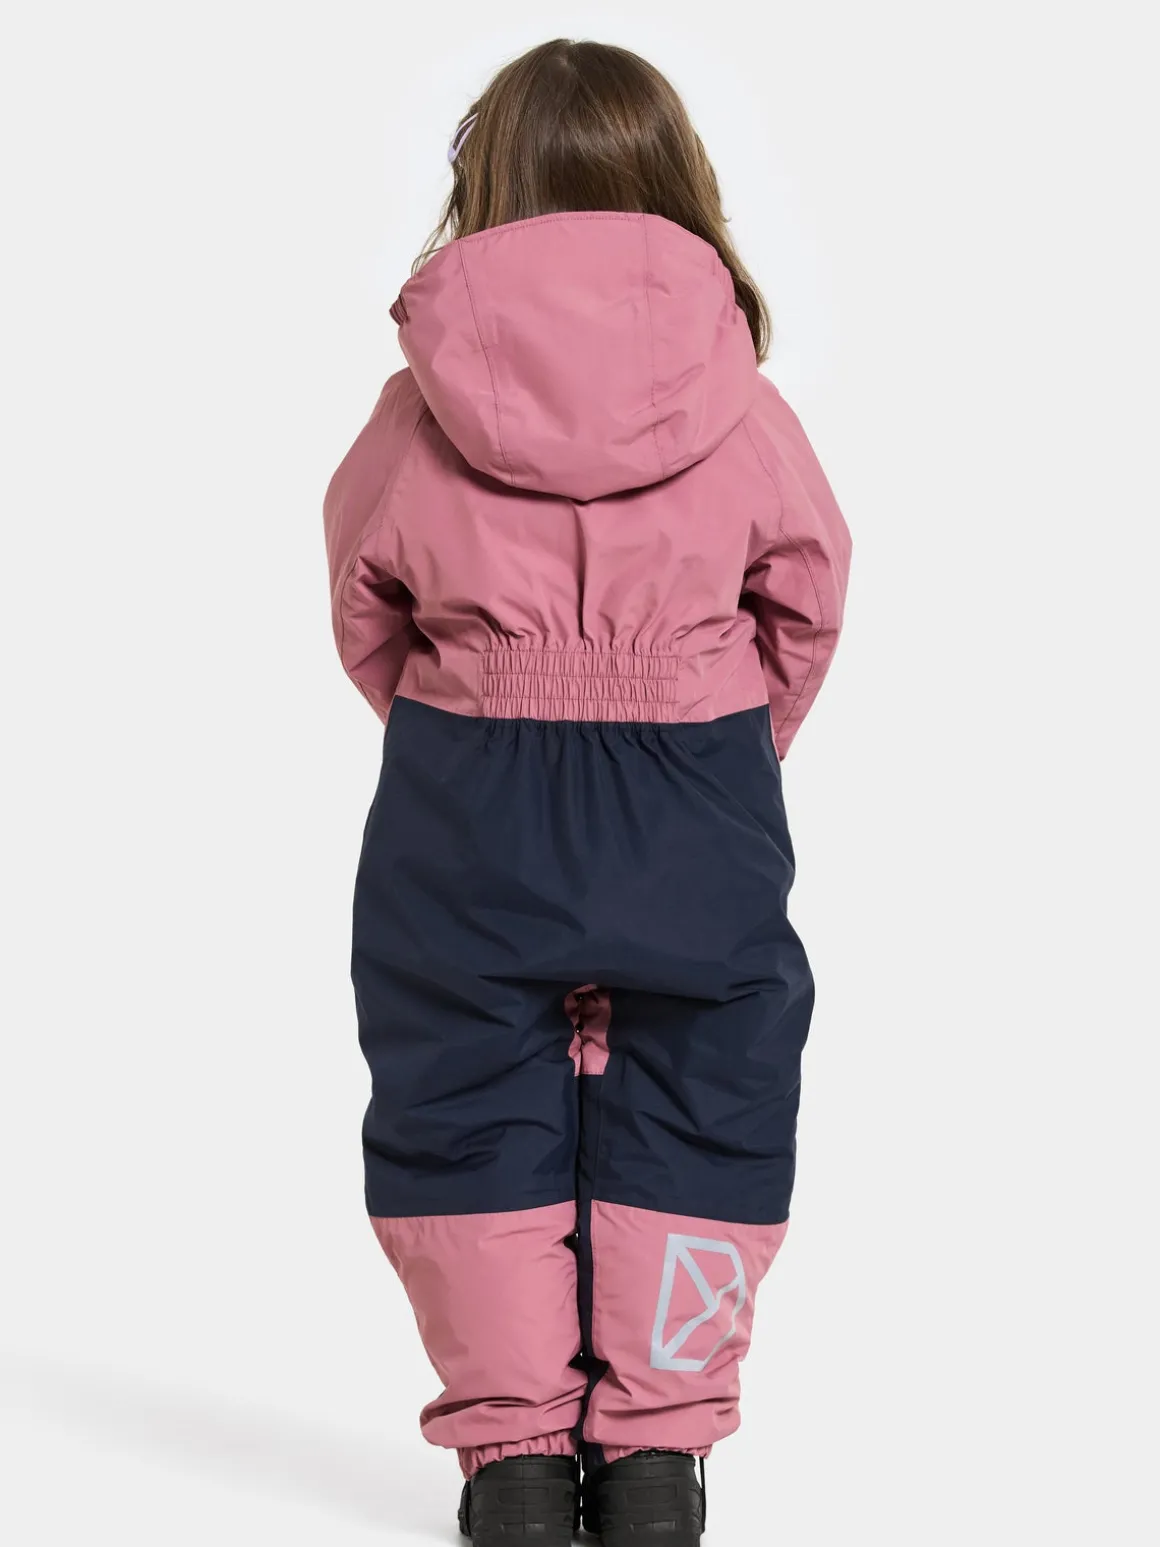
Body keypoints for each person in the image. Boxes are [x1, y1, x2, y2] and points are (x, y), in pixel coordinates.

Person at [323, 37, 851, 1547]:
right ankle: (656, 1460)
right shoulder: (743, 410)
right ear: (677, 186)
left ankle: (511, 1463)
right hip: (694, 791)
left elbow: (364, 603)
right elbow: (807, 598)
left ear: (487, 188)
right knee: (707, 1080)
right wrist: (724, 738)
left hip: (469, 797)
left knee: (462, 1094)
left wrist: (464, 721)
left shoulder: (415, 414)